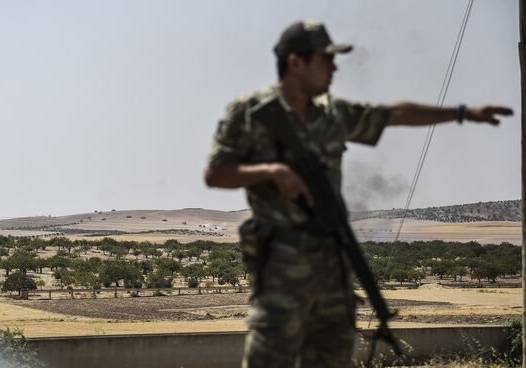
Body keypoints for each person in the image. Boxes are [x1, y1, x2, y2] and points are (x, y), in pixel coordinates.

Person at [204, 20, 513, 368]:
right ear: (295, 62)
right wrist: (271, 172)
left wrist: (461, 112)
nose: (335, 67)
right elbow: (217, 172)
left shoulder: (332, 115)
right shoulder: (250, 113)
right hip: (281, 265)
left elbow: (392, 114)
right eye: (326, 59)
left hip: (331, 264)